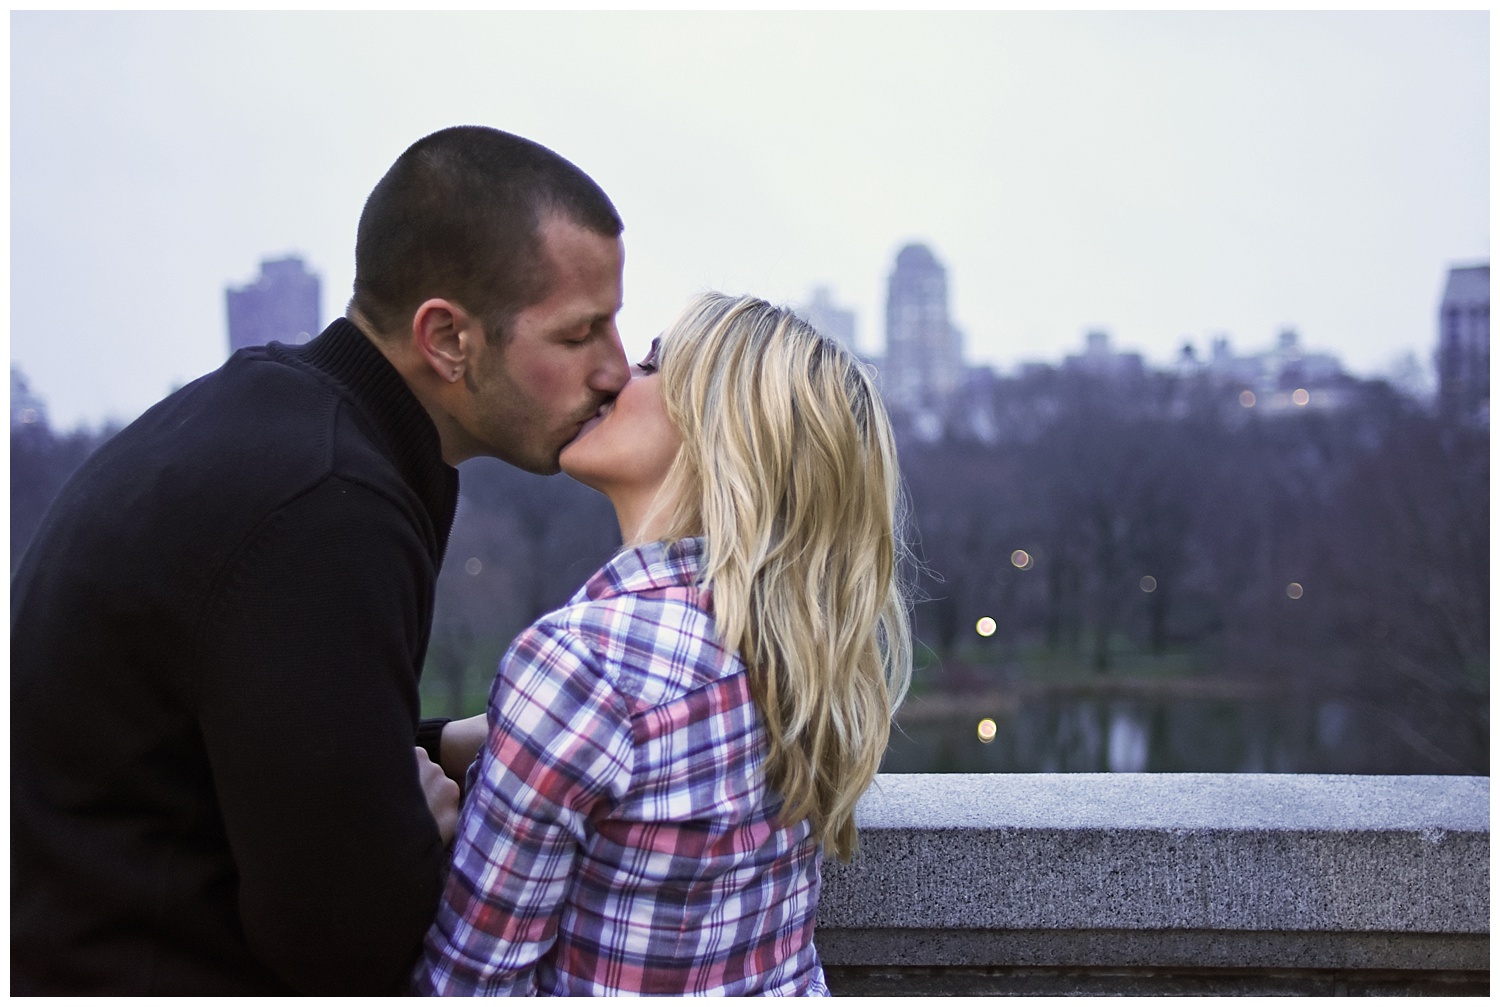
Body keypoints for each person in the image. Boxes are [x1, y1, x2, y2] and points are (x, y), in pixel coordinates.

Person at [11, 126, 630, 994]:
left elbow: (245, 747)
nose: (614, 369)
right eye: (580, 334)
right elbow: (348, 938)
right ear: (448, 338)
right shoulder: (326, 506)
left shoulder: (289, 435)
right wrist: (414, 826)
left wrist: (438, 748)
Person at [416, 292, 914, 996]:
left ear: (719, 433)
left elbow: (466, 985)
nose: (617, 375)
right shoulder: (792, 652)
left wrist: (406, 837)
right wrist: (500, 740)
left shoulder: (584, 662)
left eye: (653, 364)